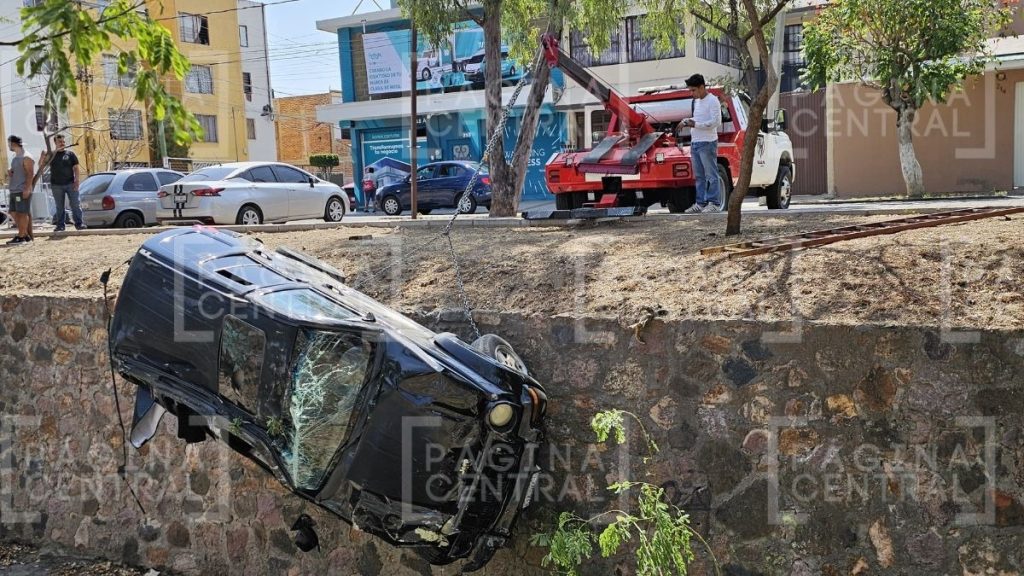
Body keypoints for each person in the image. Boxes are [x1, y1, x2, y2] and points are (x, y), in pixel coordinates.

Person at [680, 74, 722, 214]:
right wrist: (686, 121)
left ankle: (714, 203)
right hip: (696, 142)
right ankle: (700, 203)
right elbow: (697, 119)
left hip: (707, 142)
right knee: (699, 176)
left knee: (711, 174)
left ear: (702, 87)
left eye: (693, 90)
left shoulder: (713, 100)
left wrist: (695, 124)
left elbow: (716, 122)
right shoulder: (696, 102)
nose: (691, 93)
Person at [46, 134, 84, 231]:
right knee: (59, 206)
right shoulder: (51, 155)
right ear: (55, 143)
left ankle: (79, 224)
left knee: (75, 204)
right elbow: (42, 165)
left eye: (63, 141)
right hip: (56, 185)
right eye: (60, 142)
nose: (62, 143)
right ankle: (60, 225)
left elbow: (76, 168)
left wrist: (77, 180)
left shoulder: (70, 154)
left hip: (70, 183)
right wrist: (43, 157)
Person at [6, 135, 35, 245]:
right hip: (14, 189)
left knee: (22, 213)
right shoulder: (15, 156)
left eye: (9, 143)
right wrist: (10, 170)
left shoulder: (26, 157)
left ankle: (21, 236)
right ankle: (25, 234)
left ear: (13, 144)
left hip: (21, 189)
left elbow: (30, 174)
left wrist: (27, 188)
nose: (8, 146)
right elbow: (17, 170)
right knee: (13, 212)